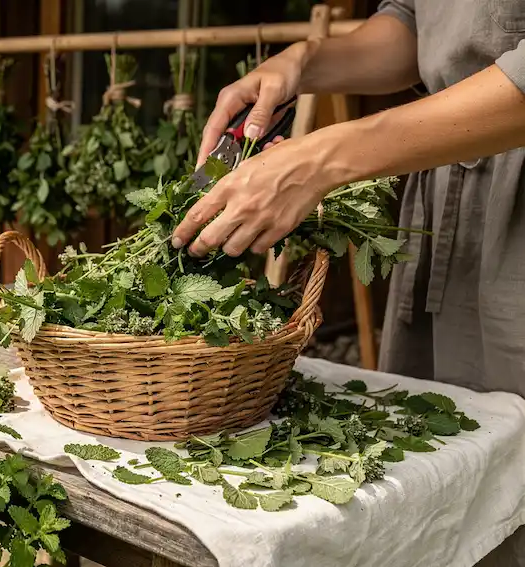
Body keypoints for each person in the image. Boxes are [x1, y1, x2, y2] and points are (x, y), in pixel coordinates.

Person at [169, 2, 525, 564]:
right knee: (440, 477)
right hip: (445, 213)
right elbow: (423, 24)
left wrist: (323, 158)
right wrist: (305, 61)